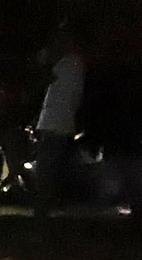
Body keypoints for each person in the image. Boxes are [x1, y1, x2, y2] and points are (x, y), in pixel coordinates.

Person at [33, 26, 85, 217]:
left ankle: (43, 207)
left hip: (54, 122)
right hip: (61, 122)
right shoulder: (74, 63)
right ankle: (46, 205)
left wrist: (46, 59)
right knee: (50, 167)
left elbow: (45, 77)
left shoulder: (68, 62)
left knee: (46, 167)